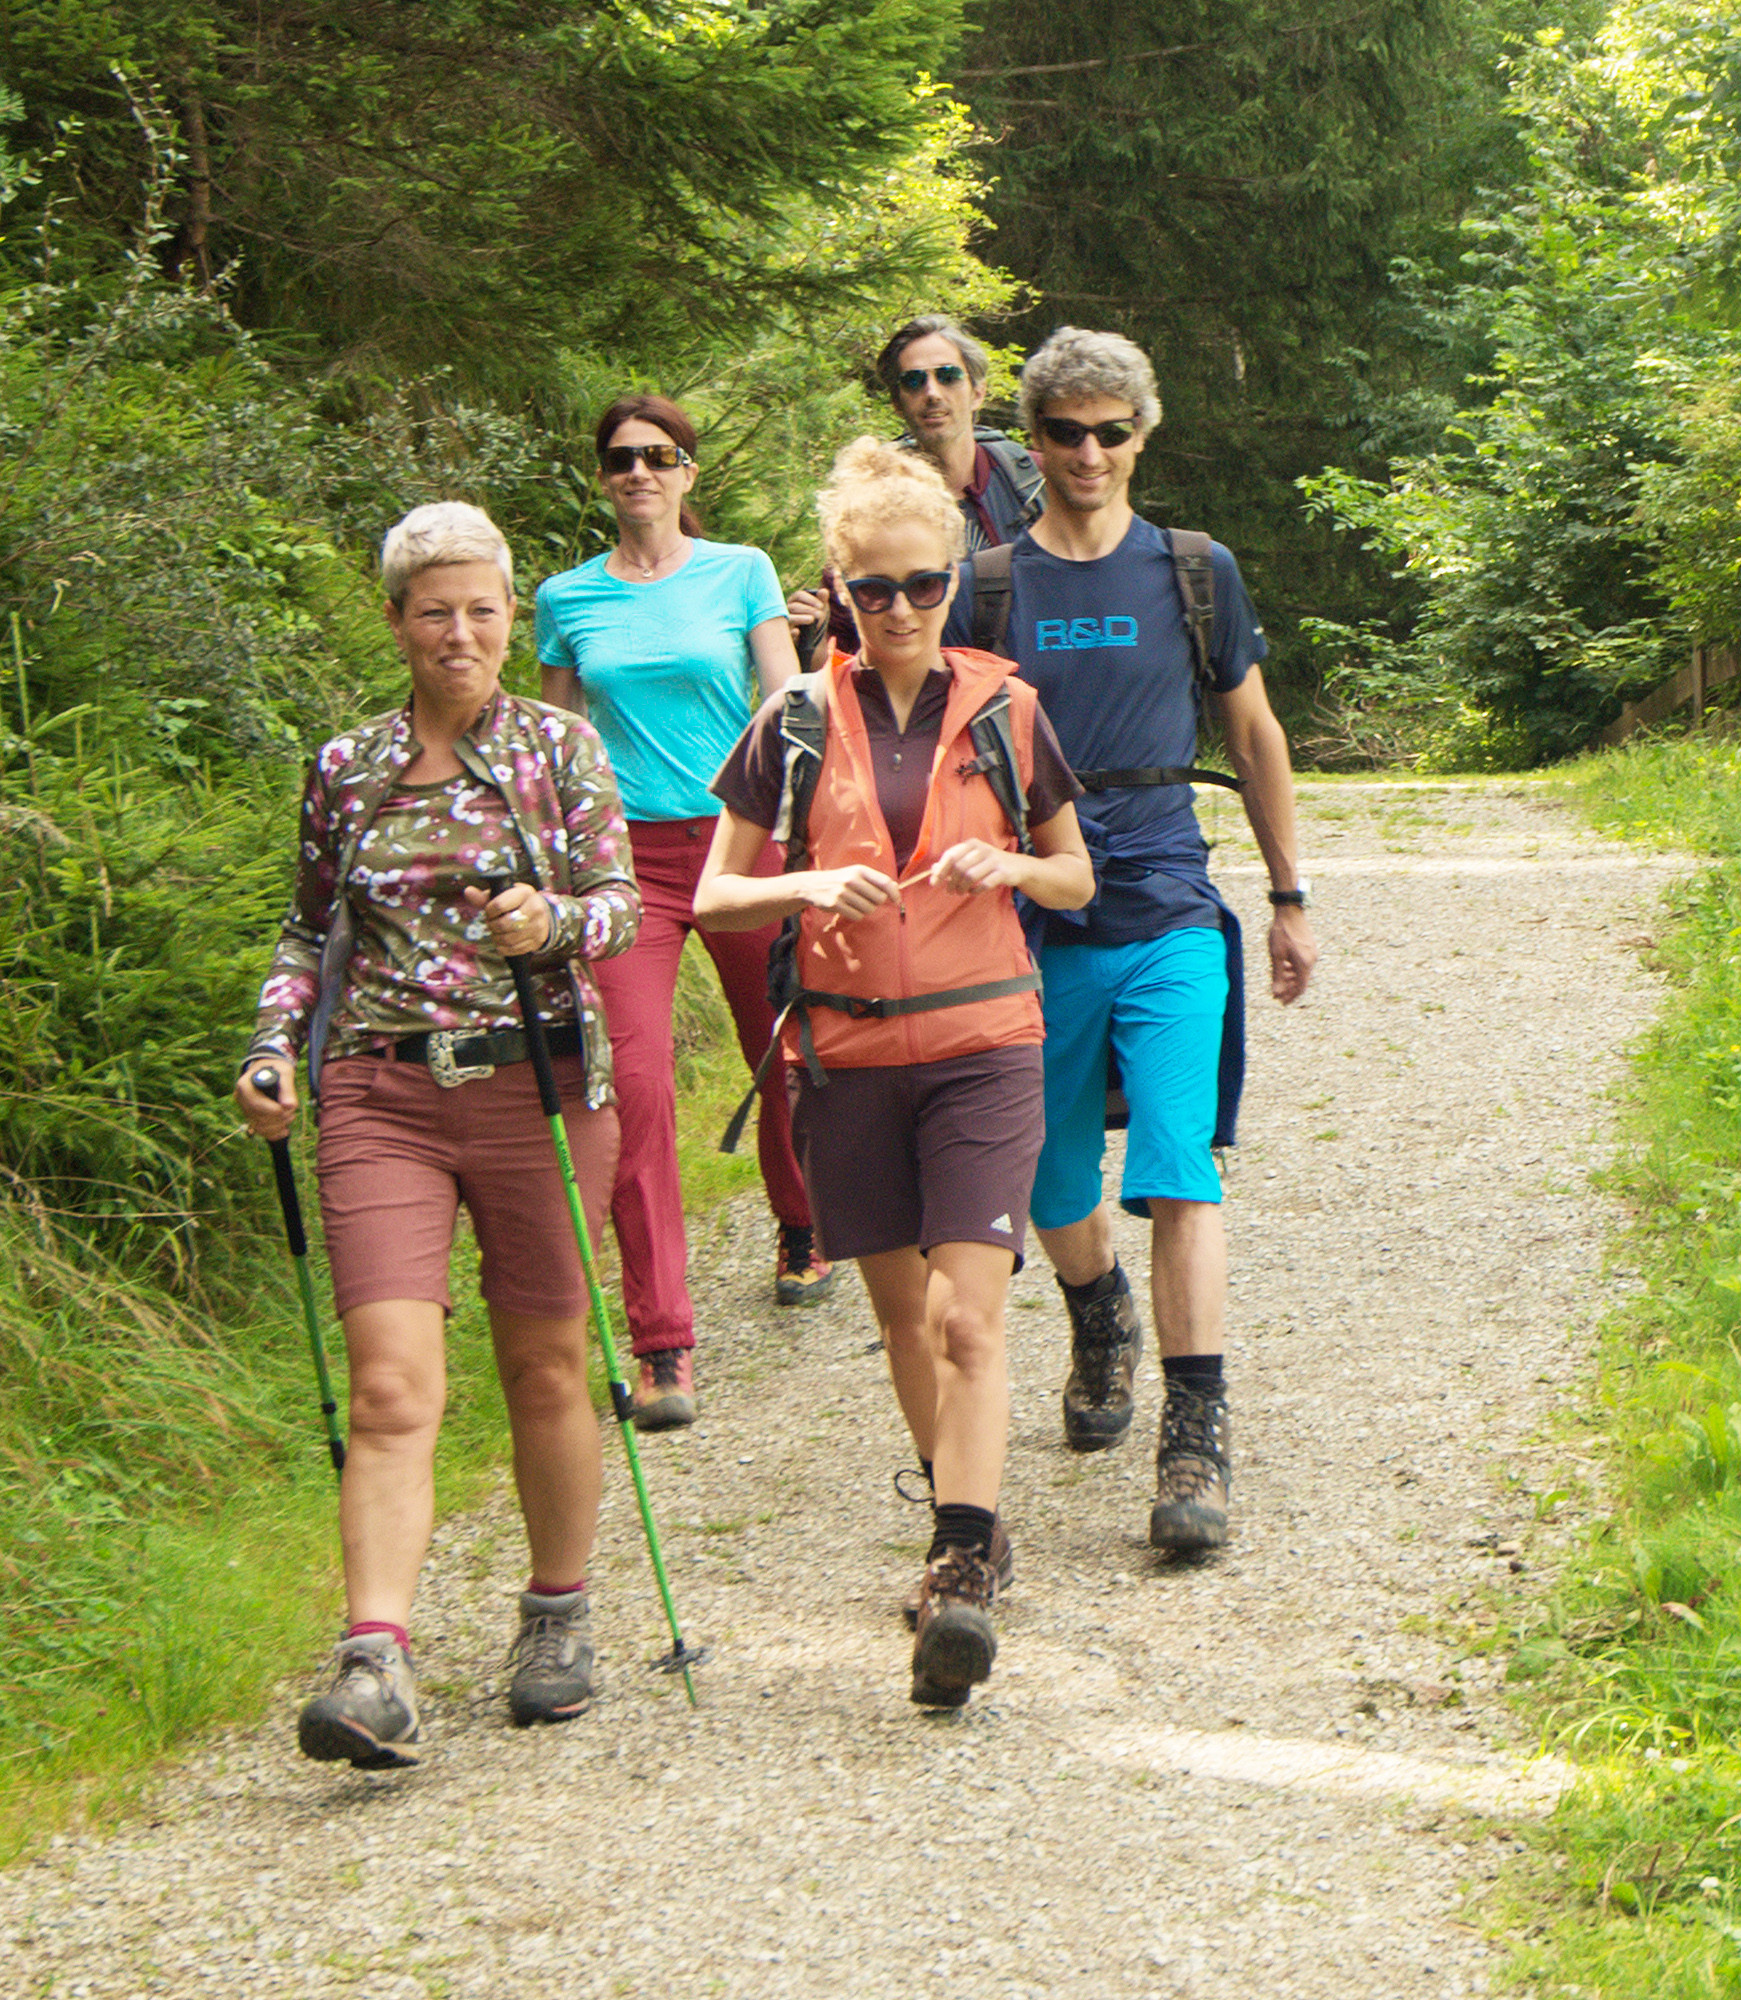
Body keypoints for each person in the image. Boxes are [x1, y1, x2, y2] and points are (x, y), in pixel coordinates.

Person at [236, 501, 640, 1767]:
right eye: (433, 611)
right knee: (390, 1383)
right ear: (396, 621)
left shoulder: (559, 750)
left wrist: (552, 924)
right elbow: (308, 931)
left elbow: (620, 906)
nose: (459, 634)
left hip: (538, 1087)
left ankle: (557, 1615)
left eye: (481, 609)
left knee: (545, 1365)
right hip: (379, 1093)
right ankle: (374, 1662)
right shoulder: (344, 766)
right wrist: (269, 1045)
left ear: (510, 615)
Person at [695, 438, 1093, 1707]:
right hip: (847, 1051)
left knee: (965, 1314)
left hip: (986, 1046)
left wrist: (1014, 872)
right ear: (839, 587)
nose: (904, 610)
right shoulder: (794, 724)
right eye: (875, 591)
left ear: (953, 582)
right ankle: (960, 1525)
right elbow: (713, 894)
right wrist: (807, 879)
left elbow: (1076, 876)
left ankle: (961, 1566)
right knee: (897, 1317)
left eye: (925, 586)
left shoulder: (1009, 709)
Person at [940, 326, 1318, 1554]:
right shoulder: (986, 584)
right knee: (1051, 1185)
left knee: (1178, 1169)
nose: (1089, 453)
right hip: (1028, 924)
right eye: (1065, 432)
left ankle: (1193, 1431)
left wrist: (1286, 892)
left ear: (1141, 436)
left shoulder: (1194, 571)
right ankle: (1096, 1309)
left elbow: (1254, 734)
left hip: (1165, 905)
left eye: (1112, 431)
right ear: (1033, 441)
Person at [536, 394, 830, 1435]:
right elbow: (554, 738)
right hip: (625, 865)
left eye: (658, 455)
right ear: (602, 475)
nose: (638, 472)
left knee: (780, 1045)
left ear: (686, 472)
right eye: (620, 457)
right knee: (637, 1082)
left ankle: (802, 1222)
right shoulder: (564, 596)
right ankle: (662, 1337)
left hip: (736, 839)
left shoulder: (739, 570)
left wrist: (796, 830)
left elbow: (786, 699)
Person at [786, 316, 1044, 661]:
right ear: (897, 402)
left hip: (1025, 692)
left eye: (948, 376)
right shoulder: (869, 499)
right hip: (918, 703)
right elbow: (843, 654)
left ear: (978, 392)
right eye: (913, 381)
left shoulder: (1032, 482)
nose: (932, 393)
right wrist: (811, 636)